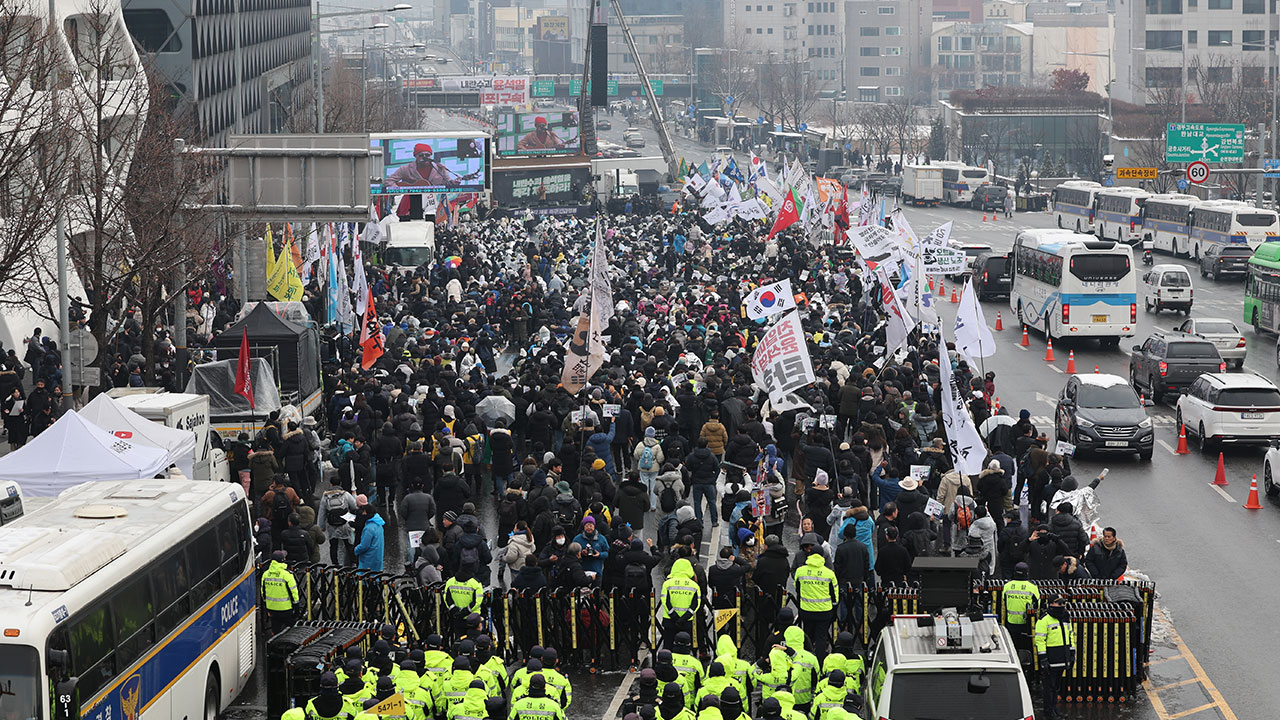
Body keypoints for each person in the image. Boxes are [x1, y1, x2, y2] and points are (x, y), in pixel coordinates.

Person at [793, 535, 839, 657]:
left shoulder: (800, 571)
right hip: (824, 611)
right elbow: (835, 595)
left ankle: (806, 661)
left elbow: (797, 588)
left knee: (807, 636)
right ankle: (819, 662)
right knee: (821, 639)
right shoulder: (829, 574)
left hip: (806, 610)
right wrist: (834, 609)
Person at [1034, 595, 1076, 720]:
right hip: (1051, 660)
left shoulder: (1065, 618)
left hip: (1062, 659)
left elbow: (1070, 635)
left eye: (1063, 603)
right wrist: (1043, 659)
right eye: (1060, 603)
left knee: (1056, 687)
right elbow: (1040, 640)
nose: (1062, 606)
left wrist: (1072, 653)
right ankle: (1048, 712)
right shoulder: (1044, 620)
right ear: (1051, 604)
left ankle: (1054, 709)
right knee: (1049, 688)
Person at [1000, 562, 1040, 661]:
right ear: (1027, 573)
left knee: (1013, 648)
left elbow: (1003, 602)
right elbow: (1037, 605)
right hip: (1027, 625)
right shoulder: (1032, 587)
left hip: (1011, 623)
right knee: (1026, 651)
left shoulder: (1007, 586)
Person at [660, 557, 702, 645]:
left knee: (668, 646)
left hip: (670, 620)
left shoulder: (667, 584)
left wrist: (674, 616)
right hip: (687, 621)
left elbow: (665, 601)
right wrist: (684, 618)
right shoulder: (694, 585)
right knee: (685, 647)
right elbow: (696, 604)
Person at [386, 143, 462, 188]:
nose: (424, 157)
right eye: (421, 155)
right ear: (415, 156)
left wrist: (453, 183)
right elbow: (388, 181)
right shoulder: (405, 169)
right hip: (411, 202)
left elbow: (448, 183)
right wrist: (401, 191)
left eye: (427, 155)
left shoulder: (440, 168)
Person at [261, 550, 299, 634]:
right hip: (286, 609)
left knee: (276, 630)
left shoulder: (266, 574)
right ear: (282, 560)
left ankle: (275, 645)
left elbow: (263, 593)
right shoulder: (287, 575)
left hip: (272, 608)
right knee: (291, 631)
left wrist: (266, 606)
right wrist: (296, 607)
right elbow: (294, 593)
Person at [685, 438, 720, 525]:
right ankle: (714, 521)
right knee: (712, 502)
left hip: (697, 482)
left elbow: (688, 467)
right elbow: (717, 468)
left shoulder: (692, 456)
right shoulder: (711, 456)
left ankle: (699, 521)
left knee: (697, 502)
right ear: (707, 445)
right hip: (709, 482)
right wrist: (713, 479)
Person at [353, 503, 386, 572]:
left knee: (364, 578)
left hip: (368, 559)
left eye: (364, 511)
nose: (363, 513)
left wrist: (356, 549)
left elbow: (364, 546)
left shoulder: (368, 528)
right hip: (377, 557)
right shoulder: (379, 524)